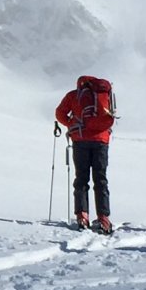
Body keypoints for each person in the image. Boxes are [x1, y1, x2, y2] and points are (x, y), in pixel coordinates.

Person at [54, 74, 117, 231]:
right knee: (100, 179)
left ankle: (82, 216)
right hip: (101, 141)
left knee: (81, 178)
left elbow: (60, 113)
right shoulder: (104, 94)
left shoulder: (74, 95)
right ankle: (104, 218)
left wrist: (72, 124)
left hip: (80, 139)